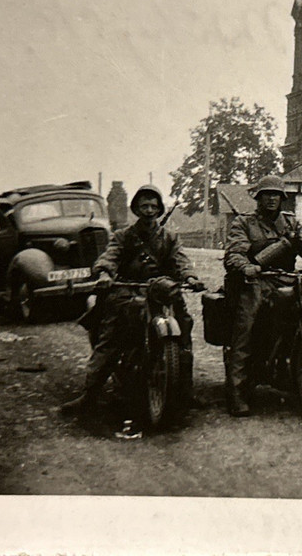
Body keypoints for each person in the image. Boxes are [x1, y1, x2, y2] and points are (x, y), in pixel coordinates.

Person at [60, 184, 203, 433]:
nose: (149, 210)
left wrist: (190, 277)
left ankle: (184, 390)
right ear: (136, 208)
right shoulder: (123, 236)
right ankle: (90, 394)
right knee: (111, 337)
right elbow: (110, 256)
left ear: (160, 209)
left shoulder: (169, 237)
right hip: (128, 290)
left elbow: (180, 260)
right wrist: (105, 273)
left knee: (184, 331)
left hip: (161, 293)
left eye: (153, 206)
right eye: (144, 206)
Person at [222, 175, 302, 417]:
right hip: (256, 281)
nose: (271, 198)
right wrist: (245, 266)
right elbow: (234, 253)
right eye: (266, 194)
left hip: (287, 279)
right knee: (247, 325)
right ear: (258, 198)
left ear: (282, 199)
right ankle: (237, 391)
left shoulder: (292, 224)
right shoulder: (244, 223)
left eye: (276, 195)